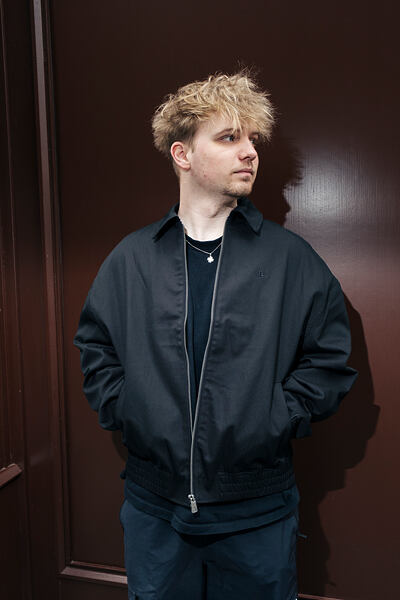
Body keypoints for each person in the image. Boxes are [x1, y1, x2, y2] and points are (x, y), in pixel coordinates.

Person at [74, 70, 358, 600]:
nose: (249, 152)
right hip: (155, 513)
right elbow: (97, 349)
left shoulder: (291, 261)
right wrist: (130, 409)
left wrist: (274, 419)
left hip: (257, 515)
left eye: (253, 139)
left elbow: (328, 362)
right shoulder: (131, 259)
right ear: (182, 154)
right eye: (229, 137)